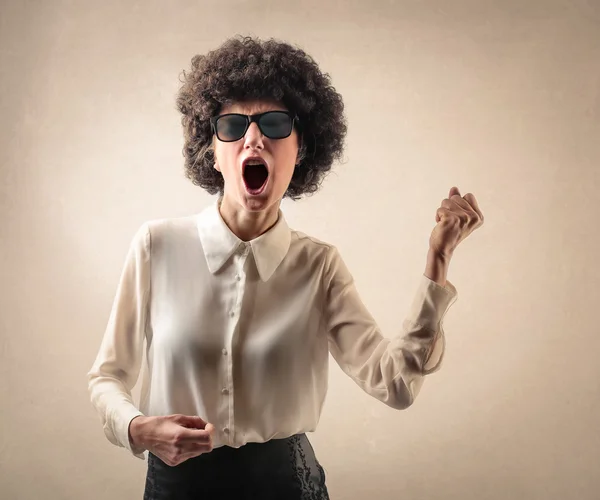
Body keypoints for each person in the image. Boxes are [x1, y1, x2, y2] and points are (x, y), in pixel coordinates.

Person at [87, 36, 483, 499]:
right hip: (176, 488)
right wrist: (136, 428)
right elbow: (107, 377)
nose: (252, 138)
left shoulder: (319, 266)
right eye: (232, 126)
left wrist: (438, 260)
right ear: (211, 150)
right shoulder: (157, 245)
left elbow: (394, 383)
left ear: (301, 149)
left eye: (274, 124)